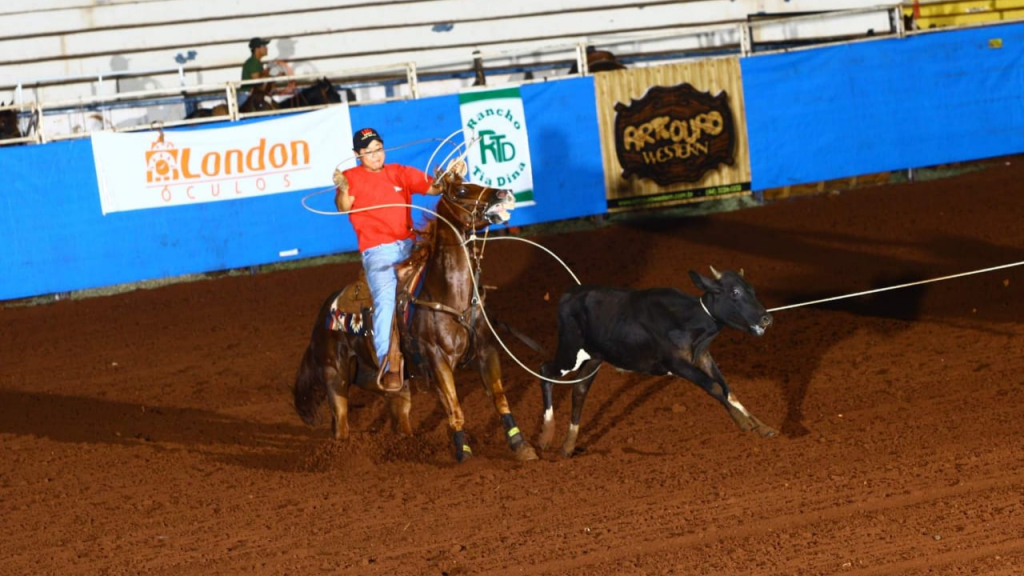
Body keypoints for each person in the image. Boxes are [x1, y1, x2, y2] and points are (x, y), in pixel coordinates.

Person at [332, 127, 462, 392]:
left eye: (378, 149)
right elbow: (344, 206)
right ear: (358, 155)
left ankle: (451, 333)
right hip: (378, 251)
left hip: (409, 245)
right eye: (368, 152)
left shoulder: (399, 173)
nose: (375, 155)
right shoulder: (351, 177)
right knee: (385, 298)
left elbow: (435, 188)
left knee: (442, 277)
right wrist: (343, 188)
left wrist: (451, 176)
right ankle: (387, 361)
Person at [240, 37, 271, 102]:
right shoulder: (254, 62)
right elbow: (257, 80)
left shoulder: (256, 62)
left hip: (249, 95)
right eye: (264, 46)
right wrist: (267, 73)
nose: (266, 48)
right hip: (247, 96)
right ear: (257, 49)